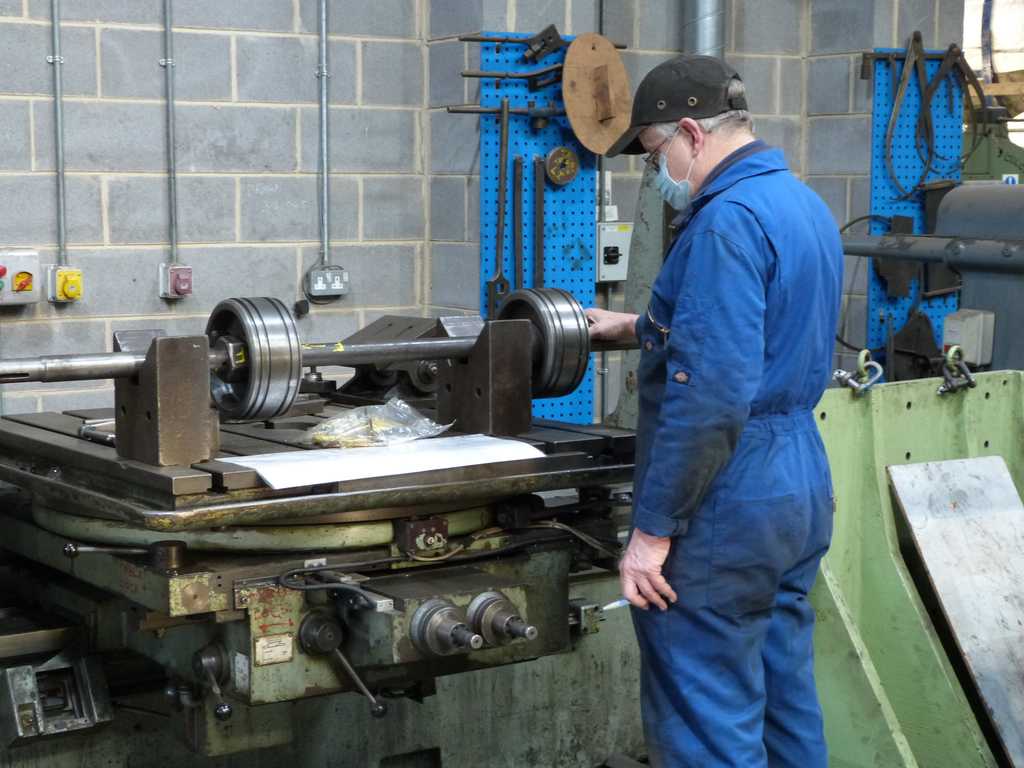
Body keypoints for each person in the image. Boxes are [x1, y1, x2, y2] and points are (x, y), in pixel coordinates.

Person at [586, 55, 843, 767]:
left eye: (653, 152)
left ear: (691, 133)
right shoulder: (801, 204)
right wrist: (639, 325)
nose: (656, 171)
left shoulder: (724, 222)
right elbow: (762, 328)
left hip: (727, 499)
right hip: (796, 484)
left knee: (706, 716)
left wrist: (653, 532)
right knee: (785, 699)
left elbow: (714, 396)